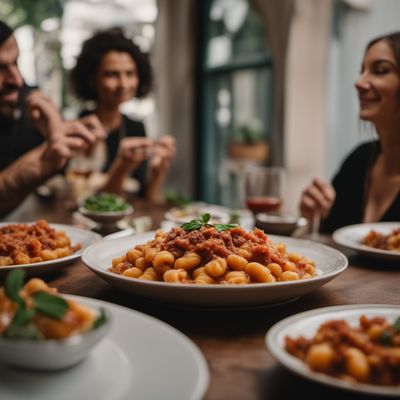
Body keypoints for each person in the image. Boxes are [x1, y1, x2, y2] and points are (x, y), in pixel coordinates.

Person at [0, 20, 104, 216]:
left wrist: (58, 134)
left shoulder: (25, 102)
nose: (17, 80)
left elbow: (59, 174)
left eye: (16, 63)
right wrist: (20, 173)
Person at [299, 31, 400, 233]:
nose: (359, 82)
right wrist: (313, 215)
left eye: (380, 70)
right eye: (362, 71)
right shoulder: (358, 161)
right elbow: (326, 241)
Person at [70, 28, 175, 202]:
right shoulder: (78, 129)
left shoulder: (135, 127)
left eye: (130, 73)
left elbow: (145, 199)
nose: (123, 84)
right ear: (91, 78)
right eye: (112, 74)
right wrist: (122, 167)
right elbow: (82, 201)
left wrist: (158, 173)